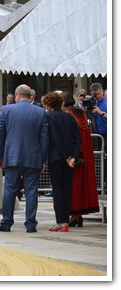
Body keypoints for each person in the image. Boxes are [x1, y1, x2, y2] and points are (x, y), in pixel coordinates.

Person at [0, 84, 49, 233]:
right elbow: (44, 139)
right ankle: (31, 224)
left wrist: (0, 156)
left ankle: (6, 222)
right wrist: (42, 160)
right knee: (31, 191)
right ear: (29, 95)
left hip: (12, 156)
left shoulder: (7, 110)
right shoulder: (40, 112)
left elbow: (0, 135)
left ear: (17, 95)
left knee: (10, 190)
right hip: (33, 158)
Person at [43, 92, 81, 232]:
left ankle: (61, 222)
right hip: (70, 158)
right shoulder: (70, 117)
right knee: (67, 189)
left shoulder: (49, 117)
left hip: (56, 158)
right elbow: (78, 139)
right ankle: (66, 220)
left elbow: (55, 139)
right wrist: (73, 157)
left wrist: (65, 157)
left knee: (58, 190)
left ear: (49, 105)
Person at [61, 92, 100, 227]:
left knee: (74, 186)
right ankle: (77, 215)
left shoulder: (70, 116)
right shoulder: (80, 114)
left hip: (75, 155)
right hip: (83, 153)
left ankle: (75, 214)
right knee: (79, 186)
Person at [89, 83, 107, 191]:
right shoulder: (92, 102)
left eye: (99, 94)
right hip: (96, 133)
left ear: (103, 92)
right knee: (97, 158)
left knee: (105, 157)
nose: (97, 97)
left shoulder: (108, 102)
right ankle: (99, 182)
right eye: (95, 94)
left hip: (106, 132)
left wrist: (101, 112)